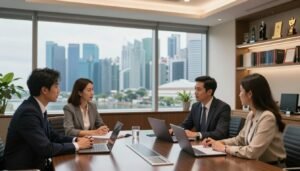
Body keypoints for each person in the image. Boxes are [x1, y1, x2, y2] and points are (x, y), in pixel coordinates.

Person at [4, 68, 93, 171]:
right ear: (44, 90)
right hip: (26, 168)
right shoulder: (28, 113)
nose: (59, 90)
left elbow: (53, 136)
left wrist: (76, 139)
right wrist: (77, 145)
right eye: (56, 86)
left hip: (39, 164)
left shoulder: (37, 108)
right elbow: (45, 149)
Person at [203, 73, 286, 165]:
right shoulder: (251, 114)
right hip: (256, 164)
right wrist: (218, 142)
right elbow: (240, 140)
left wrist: (224, 148)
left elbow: (252, 152)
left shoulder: (267, 117)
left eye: (241, 91)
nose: (239, 95)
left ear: (250, 94)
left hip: (272, 167)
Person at [179, 76, 231, 140]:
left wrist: (197, 134)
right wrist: (175, 130)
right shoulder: (195, 106)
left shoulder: (223, 108)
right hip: (199, 144)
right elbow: (186, 125)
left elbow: (220, 133)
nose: (195, 92)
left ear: (209, 92)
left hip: (214, 145)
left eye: (199, 89)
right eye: (195, 89)